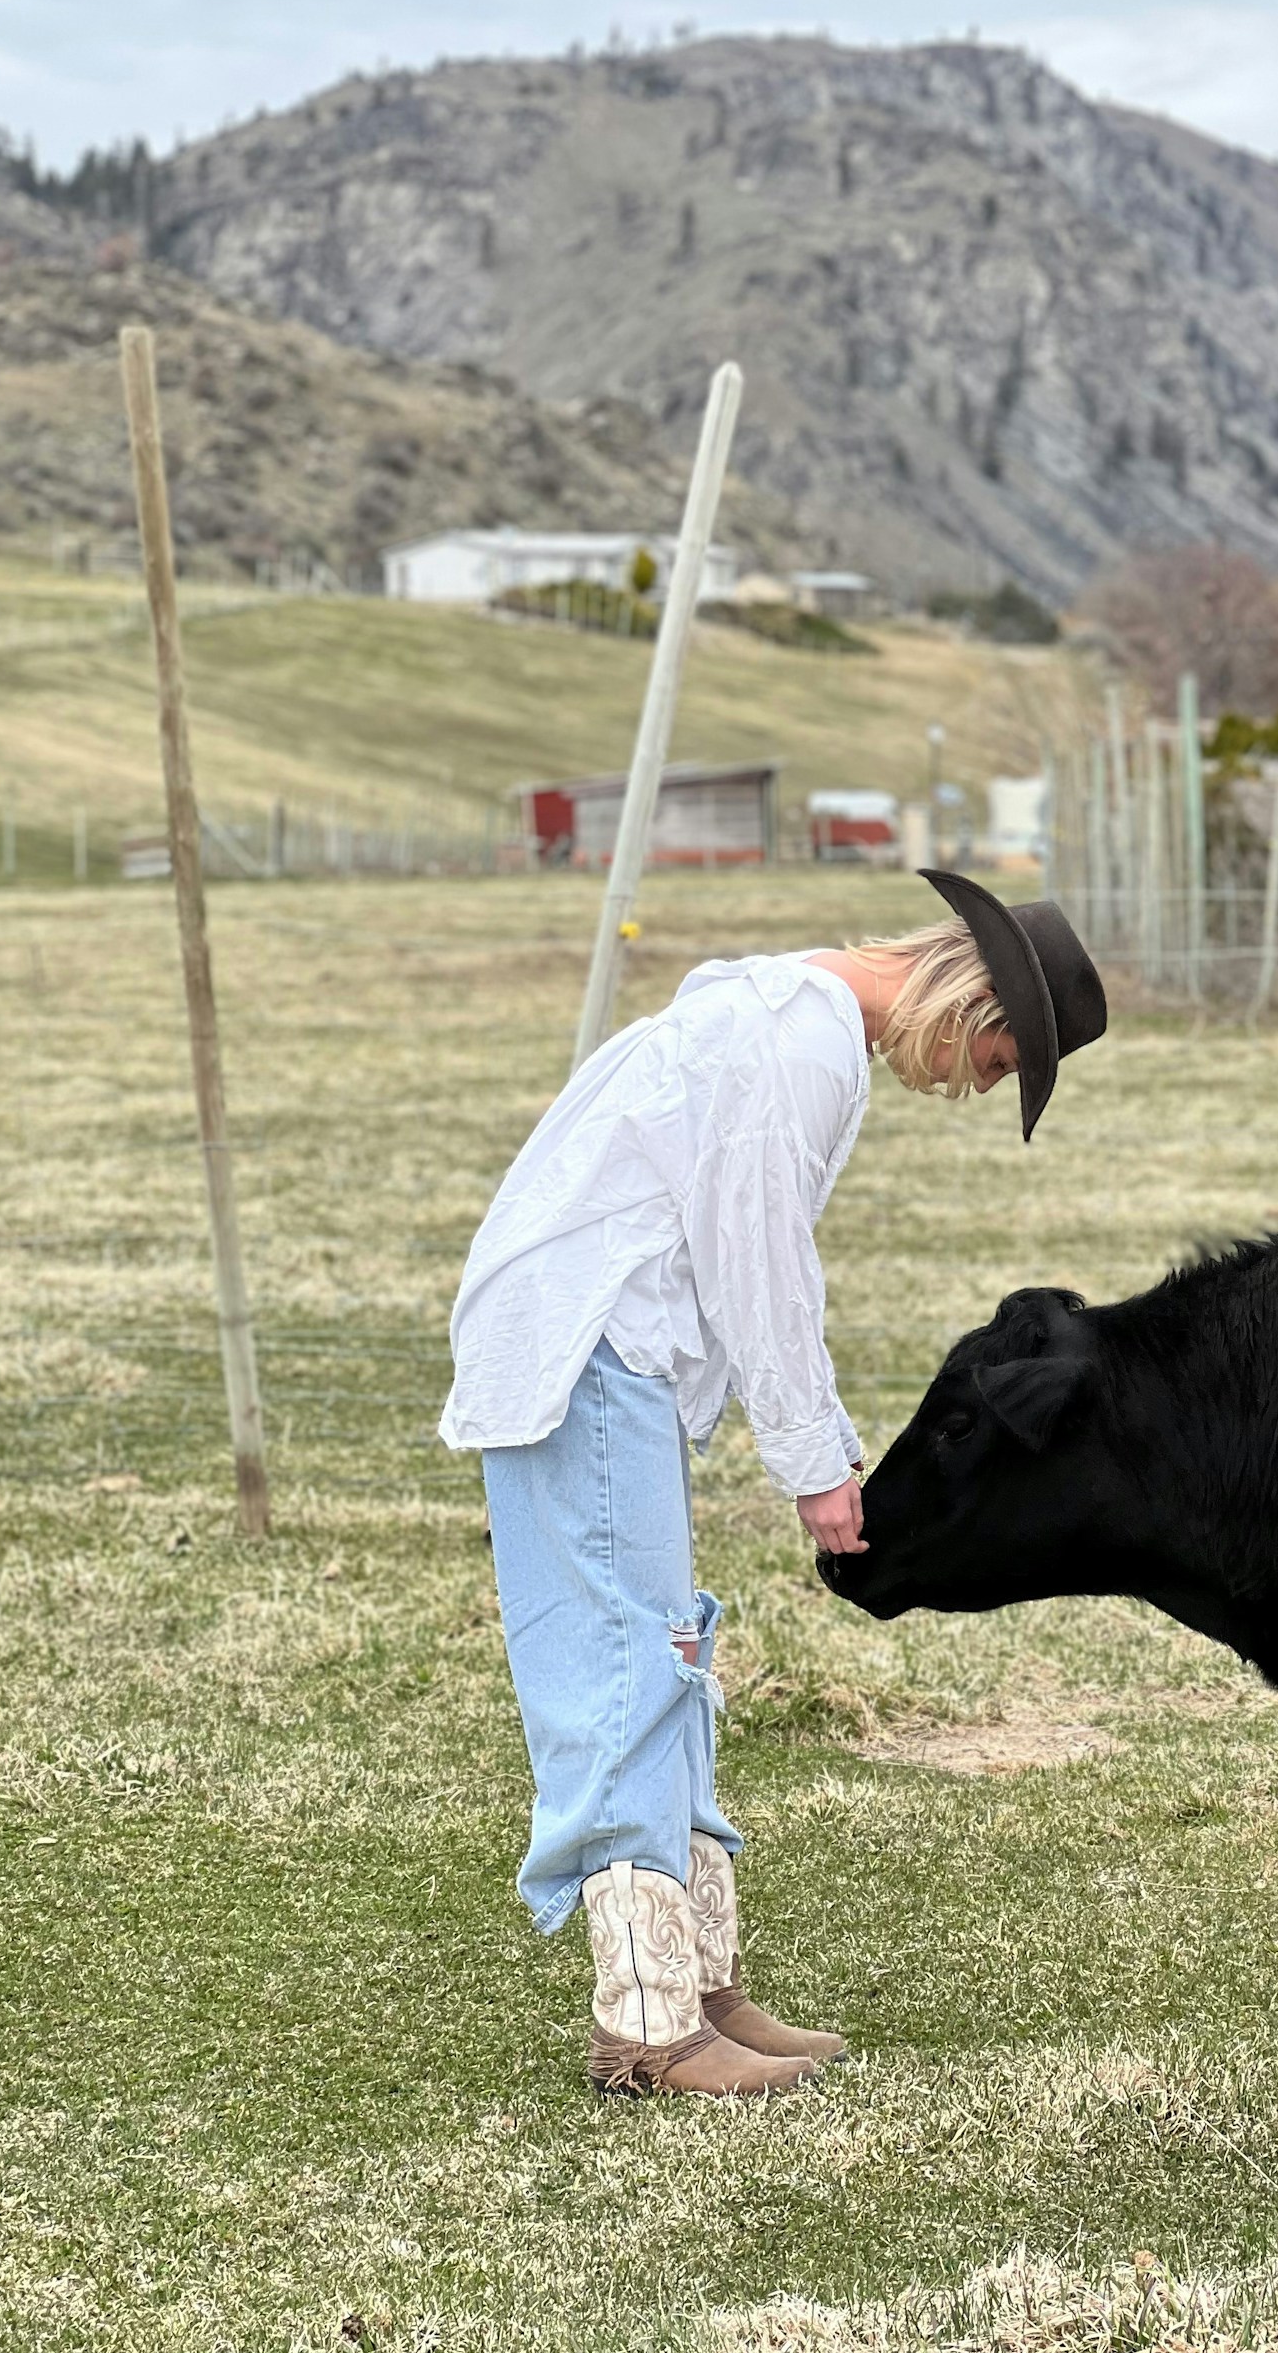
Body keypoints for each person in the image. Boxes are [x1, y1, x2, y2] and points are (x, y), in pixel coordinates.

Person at [439, 870, 1106, 2096]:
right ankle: (647, 2027)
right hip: (592, 1345)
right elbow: (762, 1265)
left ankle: (698, 1987)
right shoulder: (795, 1043)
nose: (977, 1084)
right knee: (631, 1662)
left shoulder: (794, 1023)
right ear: (969, 1003)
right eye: (1003, 1060)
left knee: (670, 1650)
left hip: (607, 1343)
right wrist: (816, 1463)